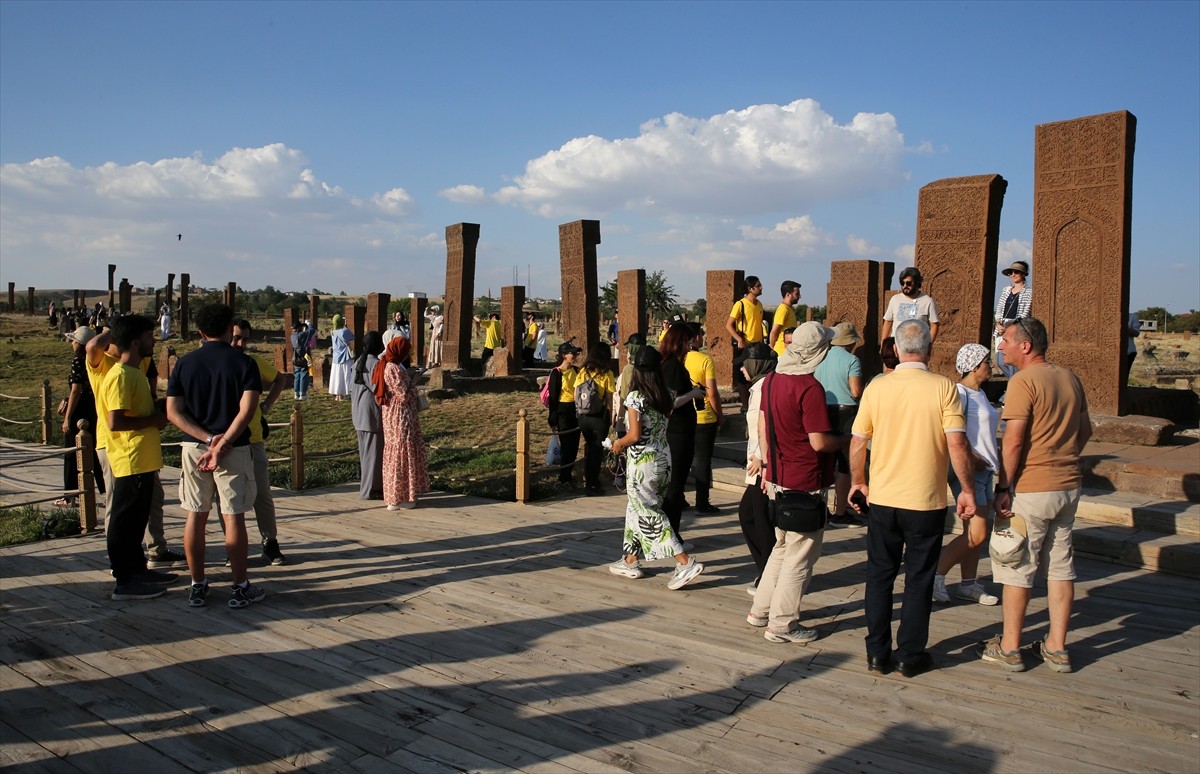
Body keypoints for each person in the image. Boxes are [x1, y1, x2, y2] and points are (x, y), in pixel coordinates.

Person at [849, 319, 976, 678]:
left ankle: (876, 652)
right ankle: (909, 654)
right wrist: (967, 489)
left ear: (898, 350)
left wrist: (859, 481)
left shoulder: (877, 388)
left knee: (880, 576)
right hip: (926, 500)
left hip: (884, 498)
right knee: (919, 579)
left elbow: (858, 440)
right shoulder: (944, 388)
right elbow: (956, 443)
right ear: (929, 350)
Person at [981, 318, 1091, 673]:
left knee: (1017, 566)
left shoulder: (1023, 381)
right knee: (1060, 567)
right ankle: (1057, 647)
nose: (1001, 346)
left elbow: (1012, 440)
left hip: (1032, 486)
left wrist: (1003, 485)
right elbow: (1086, 429)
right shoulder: (1069, 377)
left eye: (1006, 340)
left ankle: (1010, 646)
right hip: (1068, 484)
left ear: (1026, 346)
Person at [166, 303, 265, 609]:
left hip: (195, 448)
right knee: (233, 516)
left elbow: (173, 412)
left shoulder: (184, 364)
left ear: (200, 332)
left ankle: (197, 584)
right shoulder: (244, 364)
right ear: (228, 329)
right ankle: (240, 585)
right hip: (234, 447)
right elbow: (247, 411)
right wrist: (222, 444)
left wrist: (207, 439)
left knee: (196, 515)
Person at [750, 322, 842, 644]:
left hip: (777, 477)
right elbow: (818, 442)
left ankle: (760, 610)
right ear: (818, 352)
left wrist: (767, 468)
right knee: (800, 556)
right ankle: (782, 624)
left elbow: (762, 428)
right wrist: (845, 440)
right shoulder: (809, 388)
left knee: (781, 548)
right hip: (804, 480)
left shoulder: (772, 380)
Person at [606, 346, 705, 591]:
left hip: (642, 464)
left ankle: (684, 562)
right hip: (663, 458)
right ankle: (630, 559)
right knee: (637, 507)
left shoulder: (635, 398)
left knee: (649, 512)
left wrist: (617, 444)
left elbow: (634, 435)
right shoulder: (666, 394)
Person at [86, 324, 183, 569]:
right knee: (120, 508)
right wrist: (117, 325)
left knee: (149, 502)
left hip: (141, 449)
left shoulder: (136, 367)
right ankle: (120, 564)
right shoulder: (104, 365)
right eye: (148, 336)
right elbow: (93, 346)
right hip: (115, 446)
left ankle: (153, 551)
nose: (154, 341)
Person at [101, 314, 174, 600]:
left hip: (143, 459)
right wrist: (153, 420)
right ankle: (124, 579)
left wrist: (156, 410)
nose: (153, 341)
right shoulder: (120, 376)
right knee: (124, 521)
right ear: (134, 341)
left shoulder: (135, 373)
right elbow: (115, 422)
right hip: (130, 458)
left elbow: (136, 413)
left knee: (137, 521)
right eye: (148, 336)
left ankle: (138, 569)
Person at [933, 344, 1002, 606]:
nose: (991, 366)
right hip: (969, 472)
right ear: (974, 366)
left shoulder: (980, 394)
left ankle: (968, 583)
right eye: (987, 361)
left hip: (985, 471)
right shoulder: (959, 393)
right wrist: (973, 459)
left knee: (973, 533)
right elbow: (952, 433)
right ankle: (936, 574)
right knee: (978, 533)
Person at [231, 319, 290, 566]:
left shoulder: (252, 363)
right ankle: (233, 548)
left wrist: (266, 406)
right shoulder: (220, 363)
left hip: (253, 439)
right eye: (236, 338)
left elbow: (279, 379)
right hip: (228, 442)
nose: (240, 343)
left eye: (245, 338)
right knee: (230, 500)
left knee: (262, 494)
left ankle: (270, 541)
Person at [736, 343, 778, 596]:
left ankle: (769, 575)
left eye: (745, 364)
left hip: (764, 467)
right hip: (757, 465)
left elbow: (769, 426)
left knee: (758, 519)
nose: (742, 368)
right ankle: (767, 571)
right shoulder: (758, 387)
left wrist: (762, 458)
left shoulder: (767, 388)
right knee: (751, 516)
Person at [813, 321, 864, 525]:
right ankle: (840, 512)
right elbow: (855, 391)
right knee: (844, 465)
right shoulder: (852, 360)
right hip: (845, 414)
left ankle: (819, 507)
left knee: (823, 461)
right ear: (850, 342)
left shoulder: (820, 357)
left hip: (821, 410)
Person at [660, 323, 707, 542]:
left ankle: (670, 534)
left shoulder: (673, 364)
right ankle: (671, 536)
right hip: (677, 434)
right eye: (688, 343)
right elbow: (671, 402)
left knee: (676, 486)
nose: (691, 347)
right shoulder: (672, 367)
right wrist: (694, 393)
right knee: (675, 486)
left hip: (682, 431)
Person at [372, 336, 430, 510]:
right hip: (401, 416)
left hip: (390, 414)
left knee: (395, 454)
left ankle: (394, 496)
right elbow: (405, 395)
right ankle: (404, 497)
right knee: (403, 453)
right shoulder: (394, 368)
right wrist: (415, 381)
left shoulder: (385, 365)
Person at [56, 325, 105, 509]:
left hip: (80, 409)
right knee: (94, 450)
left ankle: (70, 495)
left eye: (73, 340)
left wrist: (68, 417)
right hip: (94, 406)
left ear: (79, 343)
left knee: (72, 451)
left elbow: (76, 390)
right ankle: (107, 490)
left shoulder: (78, 361)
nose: (71, 342)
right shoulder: (97, 360)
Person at [685, 323, 723, 514]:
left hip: (683, 415)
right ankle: (702, 502)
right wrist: (720, 415)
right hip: (704, 416)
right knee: (702, 461)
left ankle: (679, 498)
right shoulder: (705, 360)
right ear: (696, 338)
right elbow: (713, 393)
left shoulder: (679, 358)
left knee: (682, 458)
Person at [575, 342, 616, 496]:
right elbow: (610, 395)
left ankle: (590, 481)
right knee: (596, 451)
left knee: (590, 447)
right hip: (599, 416)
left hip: (583, 416)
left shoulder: (583, 371)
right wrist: (613, 414)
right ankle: (592, 484)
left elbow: (576, 392)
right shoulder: (607, 373)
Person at [353, 331, 386, 500]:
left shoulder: (359, 362)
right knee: (372, 456)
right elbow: (378, 388)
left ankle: (372, 489)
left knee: (367, 455)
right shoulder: (375, 365)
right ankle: (368, 491)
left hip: (359, 414)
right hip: (371, 415)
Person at [726, 275, 766, 410]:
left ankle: (753, 404)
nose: (761, 288)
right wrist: (739, 339)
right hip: (745, 345)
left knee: (755, 376)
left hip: (757, 345)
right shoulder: (741, 304)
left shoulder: (759, 304)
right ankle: (745, 406)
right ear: (750, 288)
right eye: (758, 286)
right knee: (743, 377)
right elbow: (729, 325)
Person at [547, 342, 582, 490]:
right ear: (564, 355)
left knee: (574, 445)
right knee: (566, 444)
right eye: (572, 353)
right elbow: (553, 398)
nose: (574, 356)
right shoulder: (556, 373)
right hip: (563, 410)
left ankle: (568, 475)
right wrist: (552, 418)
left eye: (575, 353)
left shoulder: (576, 370)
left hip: (576, 409)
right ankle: (564, 478)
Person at [881, 267, 940, 345]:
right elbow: (888, 322)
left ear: (917, 283)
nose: (905, 286)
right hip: (896, 346)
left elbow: (934, 325)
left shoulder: (928, 301)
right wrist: (883, 344)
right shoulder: (895, 299)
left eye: (909, 283)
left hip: (917, 346)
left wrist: (928, 345)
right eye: (902, 283)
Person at [993, 260, 1032, 378]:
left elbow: (1025, 312)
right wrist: (998, 323)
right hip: (1001, 328)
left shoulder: (1029, 292)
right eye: (1011, 273)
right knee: (1000, 361)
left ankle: (1013, 385)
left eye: (1016, 272)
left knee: (1012, 361)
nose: (1013, 275)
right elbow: (999, 308)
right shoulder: (1006, 290)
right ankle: (1014, 381)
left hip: (1017, 327)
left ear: (1023, 274)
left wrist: (1010, 327)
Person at [768, 281, 802, 357]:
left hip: (788, 351)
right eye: (797, 294)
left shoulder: (789, 309)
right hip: (781, 351)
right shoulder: (783, 309)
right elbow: (774, 331)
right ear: (788, 294)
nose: (799, 296)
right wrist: (772, 347)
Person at [328, 314, 355, 402]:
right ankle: (346, 392)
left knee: (337, 376)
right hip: (345, 356)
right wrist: (346, 327)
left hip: (336, 357)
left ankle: (338, 395)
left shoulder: (332, 332)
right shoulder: (344, 331)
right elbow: (352, 337)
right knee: (346, 375)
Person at [290, 320, 312, 400]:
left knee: (297, 375)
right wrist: (308, 324)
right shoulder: (302, 335)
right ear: (299, 327)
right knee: (304, 374)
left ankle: (296, 393)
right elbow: (311, 331)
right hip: (303, 357)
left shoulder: (292, 336)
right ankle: (302, 394)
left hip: (296, 357)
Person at [1124, 312, 1142, 385]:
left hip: (1128, 352)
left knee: (1123, 375)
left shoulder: (1132, 316)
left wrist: (1124, 328)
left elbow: (1136, 333)